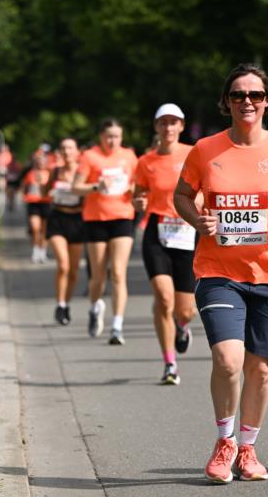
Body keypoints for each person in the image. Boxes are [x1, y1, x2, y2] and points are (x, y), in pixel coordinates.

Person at [174, 63, 268, 483]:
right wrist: (197, 220)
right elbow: (182, 195)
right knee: (228, 358)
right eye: (238, 95)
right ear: (226, 103)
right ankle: (224, 441)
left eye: (255, 95)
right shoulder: (204, 150)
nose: (247, 102)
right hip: (218, 270)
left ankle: (248, 448)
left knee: (260, 369)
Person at [134, 103, 197, 385]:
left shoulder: (193, 154)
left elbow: (207, 188)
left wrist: (200, 211)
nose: (168, 128)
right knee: (163, 297)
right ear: (156, 127)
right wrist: (139, 202)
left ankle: (182, 327)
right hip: (157, 230)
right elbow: (138, 194)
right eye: (163, 123)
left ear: (181, 126)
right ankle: (169, 363)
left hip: (187, 231)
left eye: (174, 122)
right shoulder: (145, 161)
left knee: (185, 310)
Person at [73, 118, 138, 345]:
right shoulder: (90, 156)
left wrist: (133, 188)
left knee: (119, 273)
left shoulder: (129, 156)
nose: (112, 140)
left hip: (122, 217)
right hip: (95, 220)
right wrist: (95, 187)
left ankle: (117, 326)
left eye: (117, 136)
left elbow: (139, 183)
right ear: (101, 136)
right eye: (108, 136)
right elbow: (76, 187)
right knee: (98, 275)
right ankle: (95, 307)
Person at [45, 137, 85, 325]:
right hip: (57, 218)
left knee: (74, 271)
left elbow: (90, 195)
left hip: (77, 220)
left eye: (70, 148)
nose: (67, 151)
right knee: (63, 265)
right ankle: (60, 304)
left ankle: (66, 303)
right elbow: (44, 192)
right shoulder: (55, 171)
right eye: (63, 148)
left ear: (77, 151)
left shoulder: (83, 171)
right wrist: (46, 183)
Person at [21, 148, 52, 263]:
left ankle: (42, 252)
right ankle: (35, 251)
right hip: (33, 203)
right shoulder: (30, 174)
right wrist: (24, 196)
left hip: (46, 203)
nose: (40, 163)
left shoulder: (50, 174)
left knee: (44, 230)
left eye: (42, 161)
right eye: (38, 161)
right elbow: (24, 187)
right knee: (35, 229)